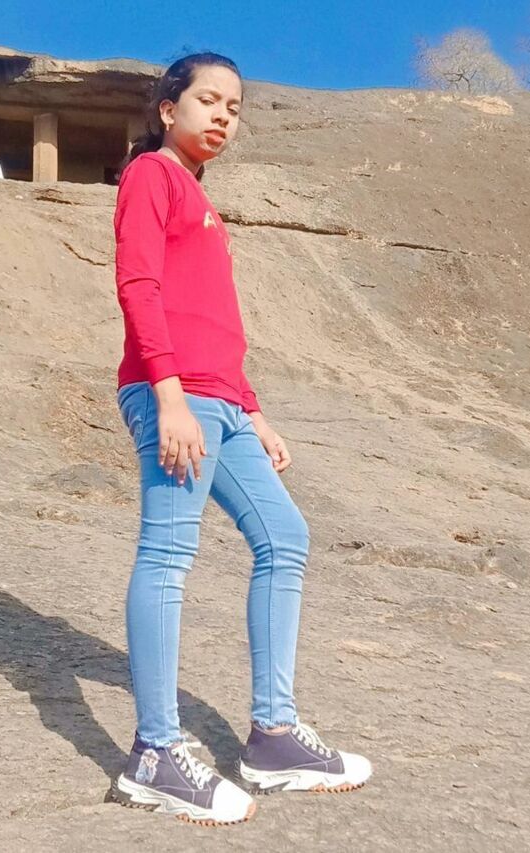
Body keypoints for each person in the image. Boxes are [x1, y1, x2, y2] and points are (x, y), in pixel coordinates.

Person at [112, 52, 372, 826]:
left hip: (222, 402)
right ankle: (155, 752)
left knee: (285, 536)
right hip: (175, 395)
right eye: (208, 100)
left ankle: (273, 737)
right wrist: (168, 396)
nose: (223, 114)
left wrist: (252, 411)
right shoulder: (152, 176)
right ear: (169, 109)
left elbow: (214, 319)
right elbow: (139, 285)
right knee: (168, 551)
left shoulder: (200, 199)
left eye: (234, 105)